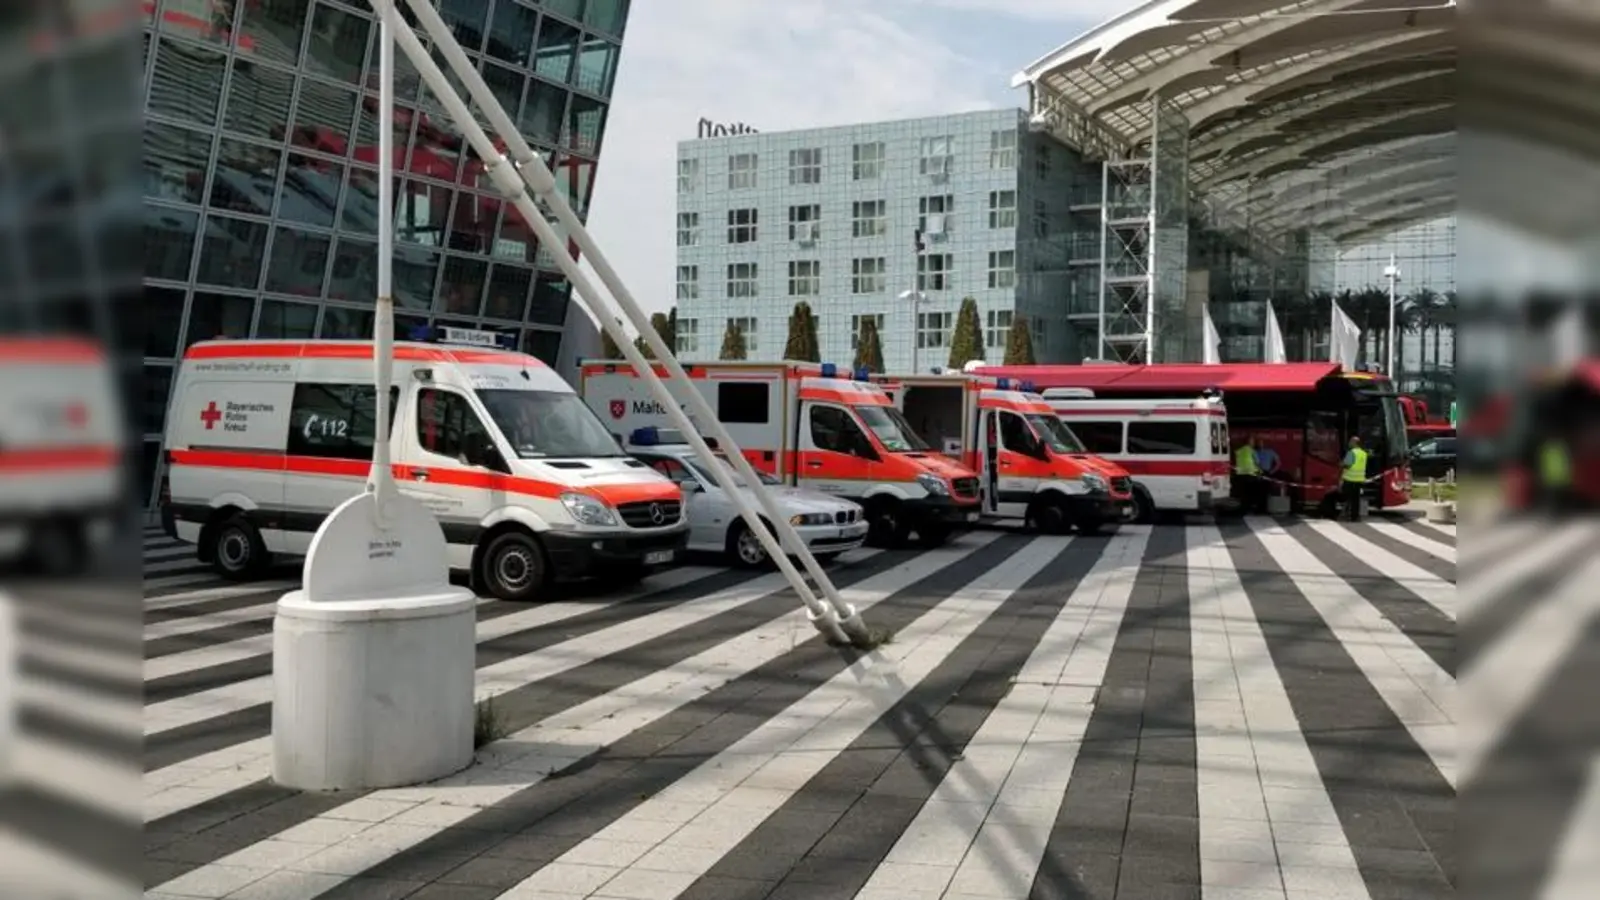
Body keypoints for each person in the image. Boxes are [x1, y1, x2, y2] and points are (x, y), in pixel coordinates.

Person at [1233, 436, 1265, 514]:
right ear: (1250, 443)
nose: (1254, 443)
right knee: (1251, 493)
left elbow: (1235, 461)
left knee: (1243, 494)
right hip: (1251, 475)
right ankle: (1251, 508)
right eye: (1253, 442)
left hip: (1240, 475)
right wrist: (1261, 473)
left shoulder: (1239, 451)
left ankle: (1243, 509)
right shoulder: (1252, 451)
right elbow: (1257, 463)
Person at [1340, 436, 1368, 521]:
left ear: (1354, 443)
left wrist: (1341, 464)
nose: (1349, 443)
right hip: (1359, 480)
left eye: (1350, 442)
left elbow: (1347, 465)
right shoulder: (1364, 453)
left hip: (1349, 479)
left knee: (1346, 498)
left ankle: (1346, 514)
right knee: (1356, 500)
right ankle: (1354, 516)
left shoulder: (1351, 453)